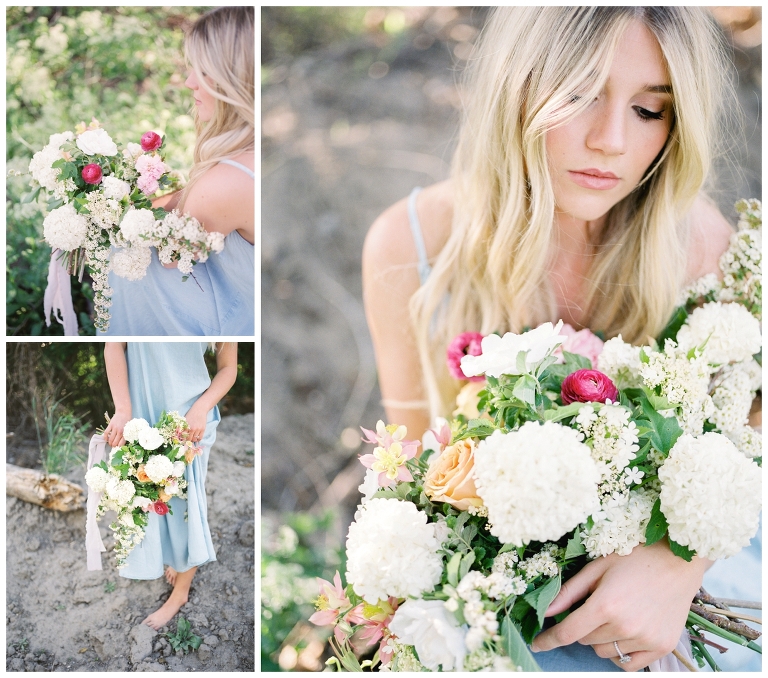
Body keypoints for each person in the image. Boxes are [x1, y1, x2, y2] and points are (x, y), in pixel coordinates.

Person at [363, 7, 749, 672]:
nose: (611, 141)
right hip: (507, 599)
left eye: (649, 110)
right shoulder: (411, 244)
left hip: (688, 581)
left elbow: (750, 436)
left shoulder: (701, 246)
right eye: (579, 94)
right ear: (515, 87)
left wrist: (676, 567)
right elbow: (412, 469)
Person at [100, 6, 254, 336]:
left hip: (238, 313)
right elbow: (186, 204)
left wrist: (113, 210)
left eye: (204, 71)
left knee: (126, 256)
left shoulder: (225, 183)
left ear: (236, 79)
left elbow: (171, 256)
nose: (189, 82)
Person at [103, 342, 237, 630]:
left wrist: (201, 408)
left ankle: (180, 593)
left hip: (190, 419)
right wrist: (122, 409)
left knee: (184, 502)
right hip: (141, 416)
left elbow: (228, 367)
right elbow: (113, 346)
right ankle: (174, 559)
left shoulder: (223, 313)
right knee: (147, 499)